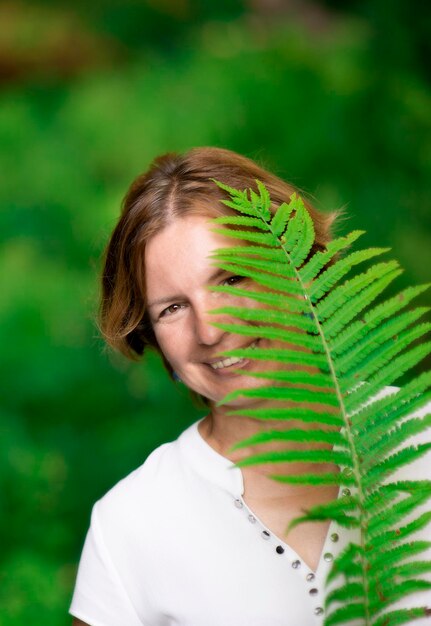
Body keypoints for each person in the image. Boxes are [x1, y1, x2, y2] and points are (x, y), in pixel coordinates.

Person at [70, 147, 431, 626]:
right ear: (149, 335)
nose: (211, 328)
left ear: (296, 270)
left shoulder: (419, 440)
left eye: (232, 277)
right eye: (172, 308)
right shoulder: (128, 528)